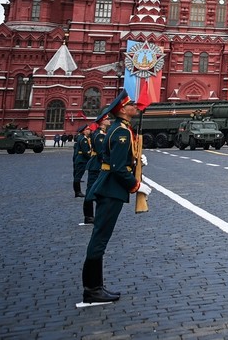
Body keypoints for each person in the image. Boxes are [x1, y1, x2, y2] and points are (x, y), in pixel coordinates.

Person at [81, 91, 149, 304]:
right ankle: (92, 290)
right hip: (111, 190)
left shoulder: (120, 129)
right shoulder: (121, 132)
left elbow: (115, 160)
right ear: (122, 110)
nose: (135, 107)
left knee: (99, 237)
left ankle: (95, 287)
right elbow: (118, 168)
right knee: (100, 238)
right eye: (131, 105)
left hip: (109, 187)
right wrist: (136, 185)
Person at [82, 115, 109, 225]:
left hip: (97, 165)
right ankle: (88, 216)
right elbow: (101, 152)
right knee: (91, 191)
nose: (109, 121)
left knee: (97, 190)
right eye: (107, 119)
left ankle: (96, 215)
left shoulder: (100, 134)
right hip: (96, 166)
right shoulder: (99, 135)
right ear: (103, 121)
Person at [73, 124, 93, 198]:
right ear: (84, 131)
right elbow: (85, 152)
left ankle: (77, 192)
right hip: (82, 160)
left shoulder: (82, 137)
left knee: (77, 176)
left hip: (80, 159)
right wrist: (91, 158)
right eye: (88, 129)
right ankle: (77, 192)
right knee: (78, 176)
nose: (89, 131)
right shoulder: (83, 139)